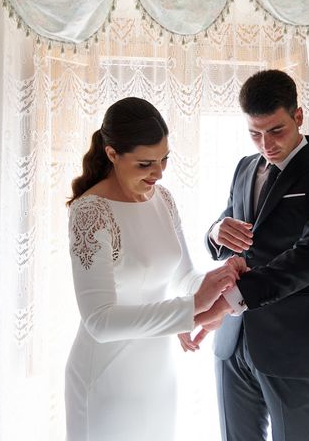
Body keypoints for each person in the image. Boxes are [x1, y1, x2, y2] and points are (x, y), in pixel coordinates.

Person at [64, 97, 245, 441]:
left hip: (159, 377)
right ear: (112, 154)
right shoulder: (90, 213)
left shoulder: (163, 199)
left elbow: (184, 280)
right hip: (107, 379)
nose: (159, 173)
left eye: (164, 160)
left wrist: (221, 281)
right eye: (146, 163)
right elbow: (99, 321)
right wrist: (191, 312)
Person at [200, 70, 309, 441]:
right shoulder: (244, 168)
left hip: (293, 344)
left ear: (298, 116)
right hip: (233, 342)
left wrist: (231, 299)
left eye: (276, 131)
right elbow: (228, 230)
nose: (265, 144)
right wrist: (215, 231)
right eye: (255, 133)